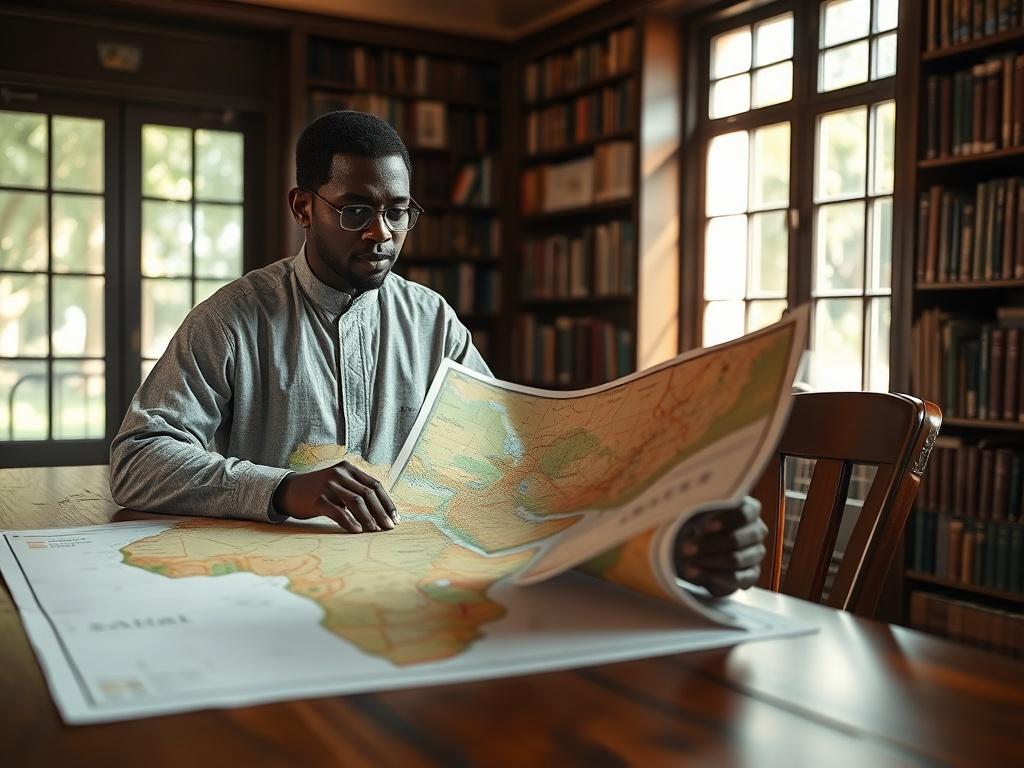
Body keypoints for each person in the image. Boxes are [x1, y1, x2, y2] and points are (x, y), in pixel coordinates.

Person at [110, 110, 767, 598]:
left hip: (405, 595)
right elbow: (137, 462)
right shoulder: (230, 319)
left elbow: (511, 472)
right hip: (254, 600)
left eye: (398, 211)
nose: (382, 232)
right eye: (355, 210)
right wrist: (283, 489)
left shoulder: (433, 324)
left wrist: (663, 532)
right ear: (302, 207)